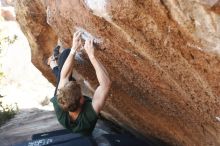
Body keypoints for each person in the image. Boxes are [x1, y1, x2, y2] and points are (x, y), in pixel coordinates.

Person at [47, 31, 111, 135]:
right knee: (63, 66)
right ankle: (53, 64)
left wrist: (73, 49)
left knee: (65, 57)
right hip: (85, 131)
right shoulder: (89, 115)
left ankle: (53, 64)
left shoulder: (60, 102)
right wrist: (91, 55)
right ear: (82, 100)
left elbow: (64, 76)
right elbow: (106, 84)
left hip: (66, 103)